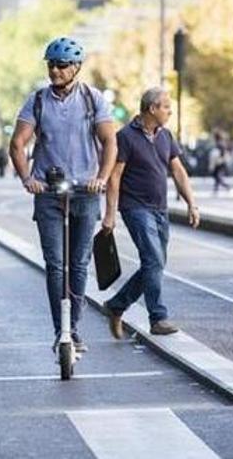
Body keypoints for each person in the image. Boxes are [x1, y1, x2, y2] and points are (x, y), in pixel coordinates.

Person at [9, 36, 117, 353]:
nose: (55, 70)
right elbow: (17, 144)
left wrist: (101, 177)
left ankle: (75, 327)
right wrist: (28, 178)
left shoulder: (93, 100)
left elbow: (110, 142)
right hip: (48, 193)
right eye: (51, 65)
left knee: (80, 264)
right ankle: (62, 330)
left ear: (76, 68)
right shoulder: (37, 101)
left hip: (85, 191)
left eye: (62, 65)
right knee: (55, 264)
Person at [100, 88, 200, 338]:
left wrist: (191, 203)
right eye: (166, 107)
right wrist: (110, 214)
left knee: (154, 264)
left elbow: (178, 171)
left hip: (159, 209)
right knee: (154, 261)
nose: (170, 111)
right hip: (135, 208)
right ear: (152, 108)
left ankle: (116, 305)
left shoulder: (166, 135)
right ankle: (158, 318)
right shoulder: (126, 137)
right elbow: (115, 177)